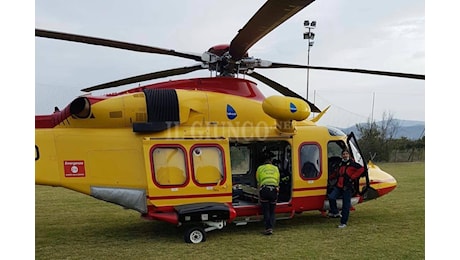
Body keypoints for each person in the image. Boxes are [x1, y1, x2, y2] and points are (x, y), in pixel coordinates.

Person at [327, 149, 365, 228]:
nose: (345, 155)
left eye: (346, 154)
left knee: (346, 205)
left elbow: (362, 169)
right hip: (339, 186)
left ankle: (343, 222)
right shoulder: (341, 164)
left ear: (349, 155)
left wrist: (352, 177)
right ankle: (335, 212)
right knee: (331, 197)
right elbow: (336, 173)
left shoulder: (352, 164)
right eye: (343, 154)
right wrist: (329, 177)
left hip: (347, 187)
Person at [256, 157, 280, 235]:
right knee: (272, 211)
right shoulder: (275, 168)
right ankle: (271, 227)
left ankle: (268, 228)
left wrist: (258, 195)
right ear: (271, 163)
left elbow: (258, 181)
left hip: (264, 189)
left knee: (266, 210)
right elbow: (278, 181)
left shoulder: (260, 168)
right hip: (273, 190)